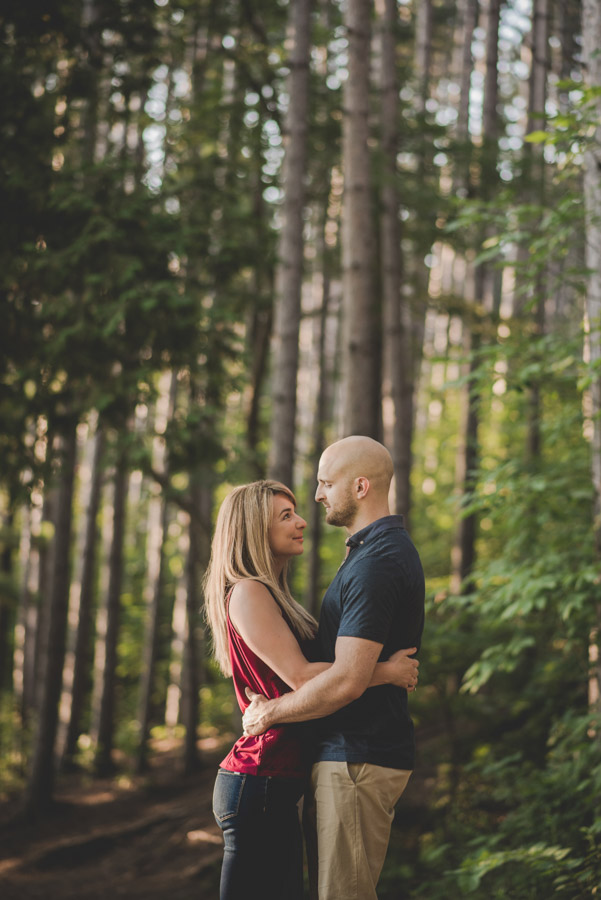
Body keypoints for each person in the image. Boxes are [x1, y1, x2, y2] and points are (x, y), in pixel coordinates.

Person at [203, 479, 419, 900]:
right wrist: (386, 671)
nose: (302, 521)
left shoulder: (270, 593)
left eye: (295, 511)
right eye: (285, 516)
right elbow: (303, 676)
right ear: (253, 530)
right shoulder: (248, 592)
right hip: (258, 776)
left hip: (276, 780)